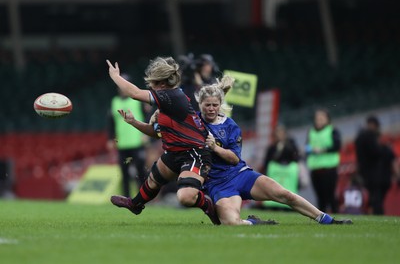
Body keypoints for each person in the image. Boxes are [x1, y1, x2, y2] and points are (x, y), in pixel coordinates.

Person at [121, 75, 353, 225]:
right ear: (199, 106)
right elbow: (160, 131)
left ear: (220, 105)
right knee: (231, 223)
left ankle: (326, 219)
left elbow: (233, 159)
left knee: (284, 194)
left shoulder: (230, 126)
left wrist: (214, 147)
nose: (211, 109)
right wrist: (141, 122)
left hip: (241, 175)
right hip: (216, 184)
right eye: (206, 105)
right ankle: (255, 222)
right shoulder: (191, 122)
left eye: (214, 105)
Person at [106, 57, 220, 225]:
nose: (150, 86)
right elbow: (156, 133)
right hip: (175, 152)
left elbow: (134, 93)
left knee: (185, 197)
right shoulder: (168, 102)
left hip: (194, 153)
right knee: (152, 181)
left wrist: (115, 76)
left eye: (152, 82)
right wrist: (134, 122)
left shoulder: (171, 95)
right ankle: (135, 204)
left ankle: (207, 203)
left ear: (161, 83)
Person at [107, 73, 148, 197]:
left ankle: (144, 196)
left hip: (137, 142)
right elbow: (111, 122)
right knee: (124, 173)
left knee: (141, 171)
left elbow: (147, 116)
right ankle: (126, 197)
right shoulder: (114, 102)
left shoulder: (137, 100)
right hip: (123, 144)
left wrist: (146, 133)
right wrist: (110, 139)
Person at [355, 115, 394, 214]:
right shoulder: (370, 136)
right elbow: (377, 152)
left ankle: (371, 212)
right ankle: (378, 213)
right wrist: (385, 148)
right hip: (374, 172)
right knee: (376, 197)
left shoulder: (360, 137)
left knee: (371, 196)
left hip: (364, 171)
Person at [305, 108, 341, 213]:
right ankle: (322, 218)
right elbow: (307, 147)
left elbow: (337, 146)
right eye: (317, 118)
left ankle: (336, 215)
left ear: (327, 119)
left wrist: (322, 149)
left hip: (329, 169)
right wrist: (310, 150)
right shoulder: (311, 131)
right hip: (315, 169)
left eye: (322, 118)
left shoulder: (332, 130)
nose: (319, 120)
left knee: (330, 196)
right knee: (320, 197)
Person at [261, 124, 300, 210]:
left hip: (288, 175)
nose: (280, 135)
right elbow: (267, 161)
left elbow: (295, 157)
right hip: (275, 174)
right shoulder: (272, 147)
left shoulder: (291, 145)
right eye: (278, 133)